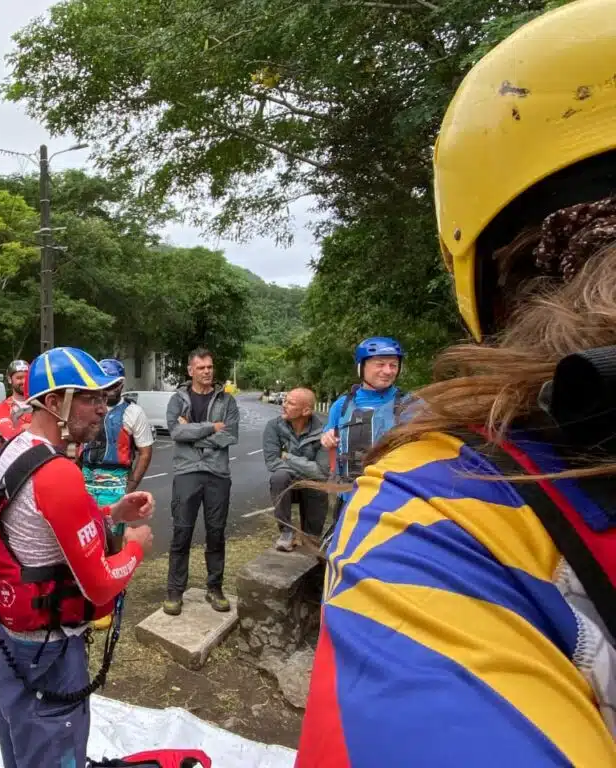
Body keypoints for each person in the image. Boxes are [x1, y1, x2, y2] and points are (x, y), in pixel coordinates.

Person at [297, 3, 616, 765]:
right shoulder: (355, 409)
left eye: (388, 363)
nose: (383, 371)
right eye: (374, 363)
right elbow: (329, 451)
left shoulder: (435, 467)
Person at [0, 346, 154, 768]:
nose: (101, 410)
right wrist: (135, 546)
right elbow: (101, 583)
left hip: (13, 645)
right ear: (54, 403)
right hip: (50, 653)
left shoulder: (18, 447)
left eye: (106, 399)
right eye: (90, 399)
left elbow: (37, 524)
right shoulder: (59, 472)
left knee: (20, 751)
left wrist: (111, 513)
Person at [164, 347, 239, 616]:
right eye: (201, 367)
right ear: (190, 370)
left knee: (216, 533)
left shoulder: (227, 401)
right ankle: (174, 591)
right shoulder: (178, 399)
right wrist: (210, 427)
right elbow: (175, 431)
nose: (207, 371)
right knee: (181, 531)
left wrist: (192, 433)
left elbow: (229, 435)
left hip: (218, 473)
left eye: (210, 367)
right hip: (187, 471)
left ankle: (214, 587)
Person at [80, 358, 154, 630]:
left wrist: (130, 486)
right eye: (103, 383)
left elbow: (145, 450)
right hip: (86, 477)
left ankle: (112, 601)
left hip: (116, 480)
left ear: (121, 384)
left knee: (113, 543)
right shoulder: (88, 406)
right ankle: (88, 598)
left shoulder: (133, 413)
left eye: (112, 384)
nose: (107, 389)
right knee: (87, 542)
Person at [319, 336, 408, 529]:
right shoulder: (342, 405)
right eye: (381, 364)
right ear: (362, 367)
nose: (388, 371)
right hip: (348, 495)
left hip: (392, 500)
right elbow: (329, 435)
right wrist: (326, 438)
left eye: (393, 365)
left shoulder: (411, 405)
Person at [262, 387, 328, 552]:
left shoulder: (323, 431)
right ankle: (286, 533)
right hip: (288, 484)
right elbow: (271, 462)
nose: (284, 405)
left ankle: (311, 536)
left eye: (290, 403)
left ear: (306, 410)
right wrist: (305, 468)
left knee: (317, 484)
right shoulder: (273, 426)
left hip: (312, 486)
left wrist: (288, 457)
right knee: (279, 477)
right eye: (285, 400)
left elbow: (322, 472)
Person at [0, 359, 32, 440]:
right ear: (9, 380)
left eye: (26, 377)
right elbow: (8, 435)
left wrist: (26, 427)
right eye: (19, 378)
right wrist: (32, 427)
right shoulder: (3, 407)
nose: (24, 381)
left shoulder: (39, 402)